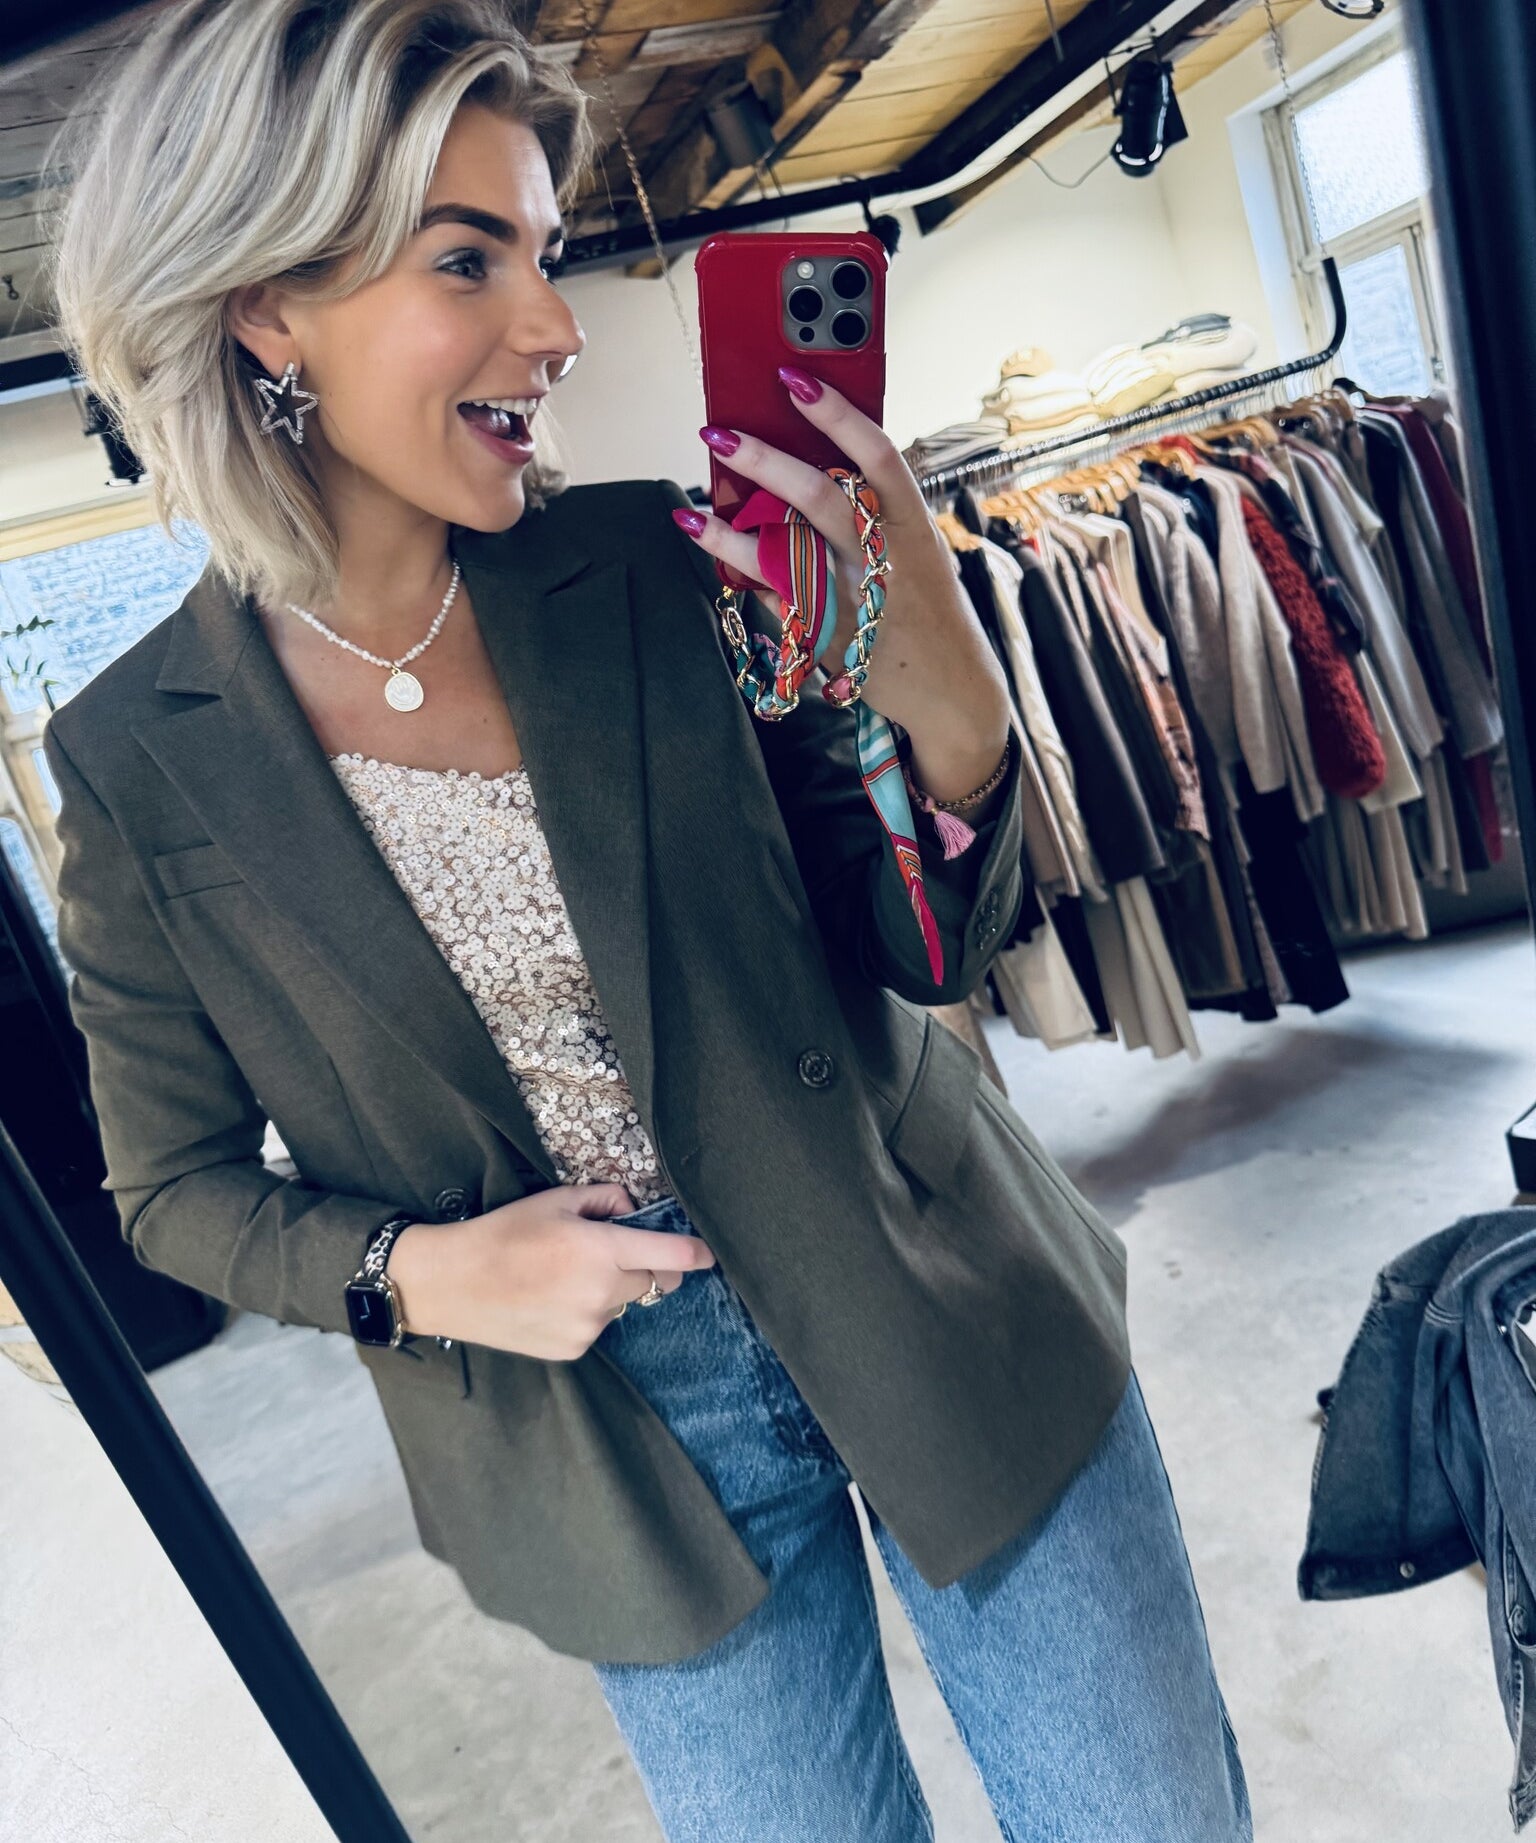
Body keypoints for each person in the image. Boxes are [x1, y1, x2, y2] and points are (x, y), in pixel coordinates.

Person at [40, 2, 1251, 1837]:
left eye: (543, 254)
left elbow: (922, 946)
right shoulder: (137, 759)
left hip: (929, 1284)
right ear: (265, 305)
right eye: (471, 259)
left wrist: (954, 716)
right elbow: (170, 1191)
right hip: (609, 1443)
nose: (556, 325)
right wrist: (420, 1275)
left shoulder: (660, 564)